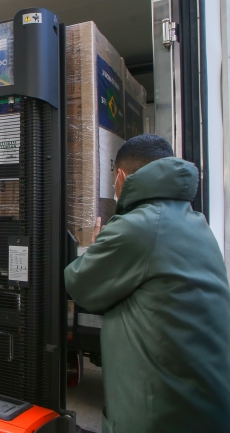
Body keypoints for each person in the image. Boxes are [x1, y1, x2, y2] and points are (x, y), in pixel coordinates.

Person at [65, 134, 230, 433]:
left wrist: (96, 247)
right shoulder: (196, 222)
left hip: (159, 415)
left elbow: (79, 284)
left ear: (121, 177)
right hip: (203, 403)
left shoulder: (137, 226)